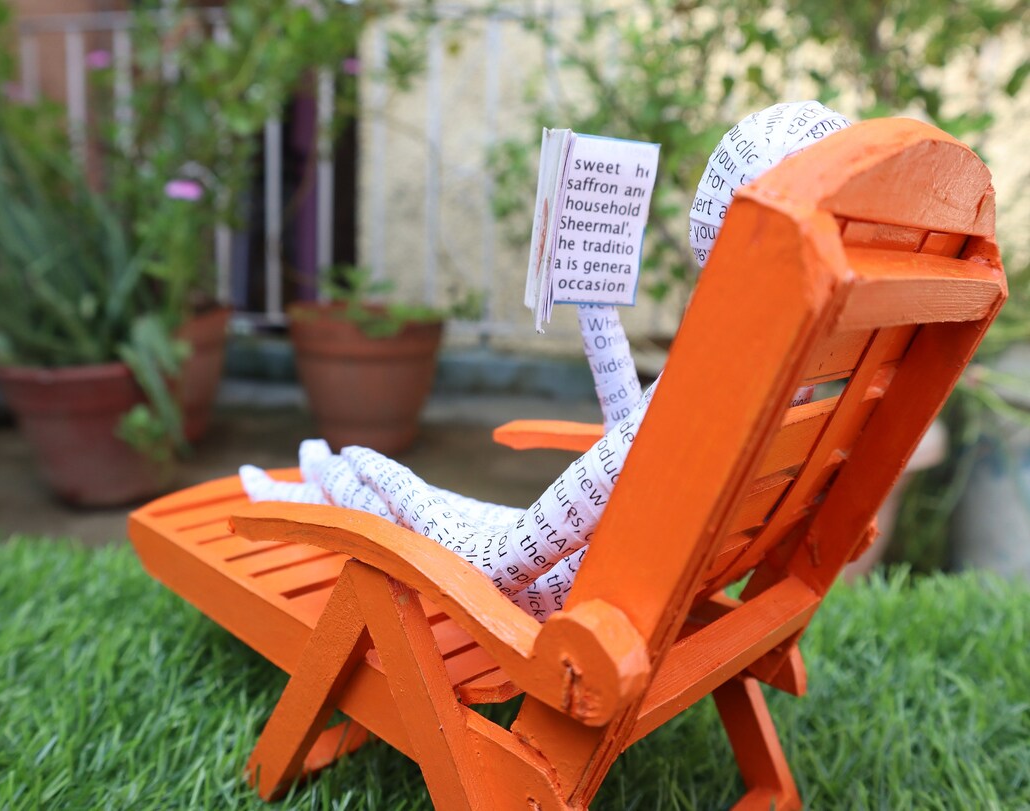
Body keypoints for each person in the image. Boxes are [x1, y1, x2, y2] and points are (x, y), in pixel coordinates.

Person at [240, 101, 852, 620]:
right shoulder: (797, 366)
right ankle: (309, 484)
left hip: (566, 594)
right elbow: (637, 450)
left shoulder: (715, 377)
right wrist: (594, 308)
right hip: (654, 574)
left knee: (372, 474)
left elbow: (497, 568)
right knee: (410, 490)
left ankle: (321, 483)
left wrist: (373, 479)